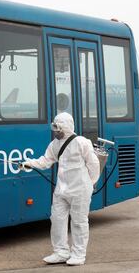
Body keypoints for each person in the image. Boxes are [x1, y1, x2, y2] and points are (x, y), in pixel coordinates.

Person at [22, 112, 101, 266]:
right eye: (55, 129)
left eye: (58, 129)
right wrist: (29, 164)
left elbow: (94, 164)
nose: (56, 132)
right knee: (57, 220)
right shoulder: (54, 145)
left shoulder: (81, 142)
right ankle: (61, 252)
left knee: (79, 222)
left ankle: (78, 254)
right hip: (61, 189)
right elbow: (45, 161)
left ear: (67, 127)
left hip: (80, 189)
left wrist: (90, 184)